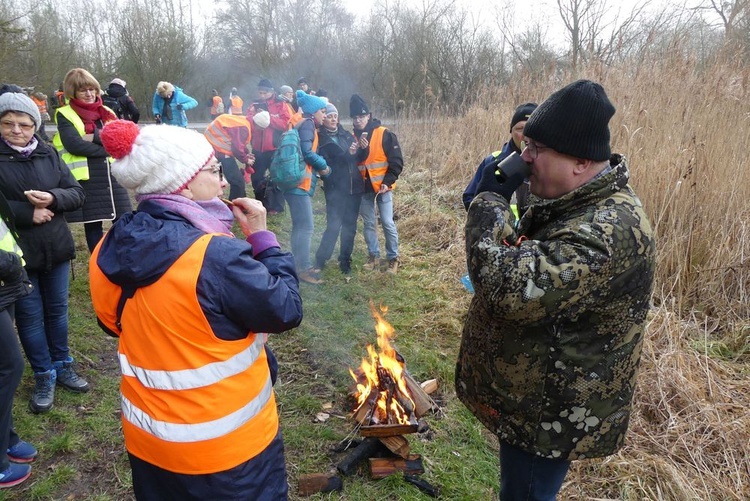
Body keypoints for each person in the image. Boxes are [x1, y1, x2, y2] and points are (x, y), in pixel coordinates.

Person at [456, 80, 656, 500]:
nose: (522, 158)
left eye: (536, 149)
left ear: (581, 161)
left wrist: (490, 200)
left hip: (549, 410)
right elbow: (523, 256)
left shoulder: (609, 230)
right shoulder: (573, 200)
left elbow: (508, 288)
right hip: (533, 397)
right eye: (524, 144)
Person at [90, 119, 303, 500]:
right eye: (214, 170)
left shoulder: (108, 246)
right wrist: (262, 238)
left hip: (150, 444)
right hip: (228, 453)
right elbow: (285, 308)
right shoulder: (214, 256)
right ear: (184, 182)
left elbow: (113, 324)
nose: (224, 182)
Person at [0, 91, 88, 413]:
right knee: (30, 318)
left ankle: (63, 362)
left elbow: (76, 193)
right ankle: (43, 373)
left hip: (57, 247)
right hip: (17, 257)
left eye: (23, 124)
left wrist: (52, 198)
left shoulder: (49, 153)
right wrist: (27, 213)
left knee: (57, 311)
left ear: (34, 125)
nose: (16, 130)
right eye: (7, 123)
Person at [53, 68, 132, 253]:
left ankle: (123, 259)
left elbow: (121, 140)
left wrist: (94, 136)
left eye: (92, 89)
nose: (89, 94)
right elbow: (75, 145)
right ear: (73, 92)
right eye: (83, 90)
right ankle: (99, 264)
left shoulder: (106, 111)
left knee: (124, 219)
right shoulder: (65, 113)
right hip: (88, 177)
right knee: (93, 226)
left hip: (112, 175)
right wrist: (107, 147)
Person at [0, 189, 36, 488]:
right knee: (10, 367)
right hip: (4, 271)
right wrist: (10, 263)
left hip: (4, 284)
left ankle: (7, 437)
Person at [350, 94, 404, 273]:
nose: (358, 121)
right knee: (368, 223)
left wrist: (387, 182)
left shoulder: (384, 133)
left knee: (387, 223)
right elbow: (352, 163)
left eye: (361, 116)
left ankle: (393, 259)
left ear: (368, 116)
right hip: (363, 188)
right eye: (355, 117)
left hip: (383, 187)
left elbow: (396, 162)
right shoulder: (351, 137)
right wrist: (358, 151)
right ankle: (373, 256)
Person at [314, 102, 364, 275]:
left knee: (350, 226)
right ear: (323, 118)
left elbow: (356, 159)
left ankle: (345, 260)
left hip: (354, 187)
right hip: (335, 188)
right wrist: (347, 155)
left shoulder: (346, 135)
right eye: (329, 116)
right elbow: (326, 164)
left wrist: (361, 149)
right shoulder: (320, 139)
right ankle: (321, 259)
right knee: (334, 225)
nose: (333, 119)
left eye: (335, 116)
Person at [462, 102, 537, 215]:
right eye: (520, 128)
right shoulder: (492, 162)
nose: (526, 135)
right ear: (511, 131)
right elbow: (469, 199)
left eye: (532, 128)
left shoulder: (551, 164)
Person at [287, 90, 331, 284]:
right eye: (323, 111)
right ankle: (303, 269)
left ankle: (296, 265)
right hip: (299, 185)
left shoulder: (303, 123)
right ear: (313, 112)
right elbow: (307, 153)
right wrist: (324, 166)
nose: (325, 115)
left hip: (295, 184)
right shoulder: (307, 126)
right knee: (306, 227)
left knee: (299, 226)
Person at [248, 79, 291, 211]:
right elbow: (248, 121)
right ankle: (260, 204)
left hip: (274, 148)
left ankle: (277, 206)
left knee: (277, 178)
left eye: (264, 93)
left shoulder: (280, 104)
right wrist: (256, 118)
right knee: (256, 178)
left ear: (271, 92)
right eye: (260, 92)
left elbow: (285, 123)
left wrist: (267, 118)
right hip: (257, 149)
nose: (262, 95)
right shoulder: (254, 104)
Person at [204, 113, 256, 200]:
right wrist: (246, 159)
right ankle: (236, 205)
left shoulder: (243, 121)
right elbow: (237, 147)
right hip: (220, 153)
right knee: (237, 181)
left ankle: (240, 202)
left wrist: (246, 153)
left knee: (220, 178)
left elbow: (238, 142)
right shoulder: (244, 127)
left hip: (215, 150)